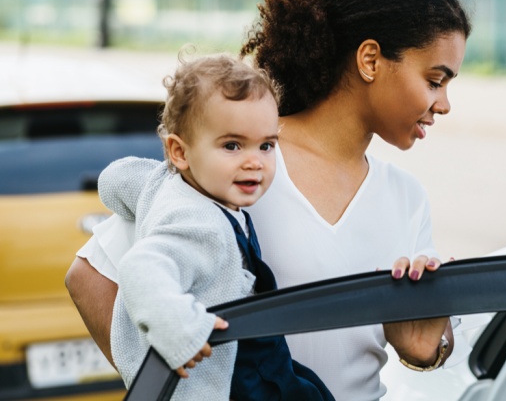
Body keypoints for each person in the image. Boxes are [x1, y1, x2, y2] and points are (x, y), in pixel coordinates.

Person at [65, 0, 472, 399]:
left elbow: (426, 345)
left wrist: (425, 350)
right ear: (369, 60)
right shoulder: (240, 164)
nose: (446, 105)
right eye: (435, 81)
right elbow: (90, 277)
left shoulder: (407, 197)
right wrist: (171, 388)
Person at [98, 53, 332, 400]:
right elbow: (140, 267)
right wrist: (176, 327)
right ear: (179, 152)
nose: (254, 161)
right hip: (224, 382)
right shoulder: (201, 223)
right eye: (232, 145)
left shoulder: (160, 182)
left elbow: (114, 179)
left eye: (266, 145)